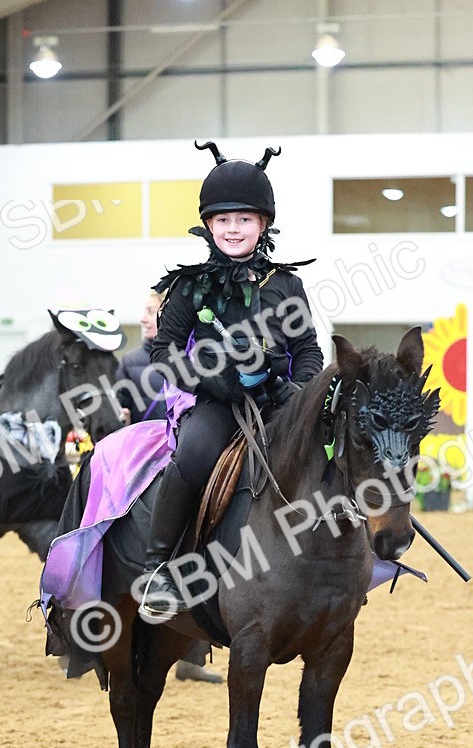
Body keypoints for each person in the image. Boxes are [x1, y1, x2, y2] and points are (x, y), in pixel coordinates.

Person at [141, 141, 323, 616]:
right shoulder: (189, 286)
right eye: (222, 220)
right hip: (219, 405)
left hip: (280, 403)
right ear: (208, 226)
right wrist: (210, 380)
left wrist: (297, 394)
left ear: (263, 224)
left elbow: (307, 351)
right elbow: (161, 350)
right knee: (194, 457)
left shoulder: (286, 284)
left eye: (244, 219)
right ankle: (158, 567)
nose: (233, 229)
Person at [117, 289, 223, 683]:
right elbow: (118, 406)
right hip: (159, 441)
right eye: (144, 311)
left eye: (151, 310)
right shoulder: (130, 362)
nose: (145, 317)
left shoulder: (197, 339)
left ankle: (193, 651)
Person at [113, 291, 167, 423]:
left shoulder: (191, 358)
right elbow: (120, 410)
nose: (143, 319)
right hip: (144, 443)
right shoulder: (129, 362)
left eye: (151, 312)